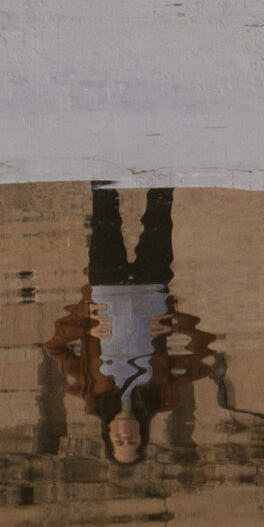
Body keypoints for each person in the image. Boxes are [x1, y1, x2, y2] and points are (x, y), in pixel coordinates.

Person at [45, 185, 213, 467]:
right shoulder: (162, 398)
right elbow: (202, 359)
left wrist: (86, 322)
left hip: (106, 289)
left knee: (105, 209)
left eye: (119, 441)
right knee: (159, 209)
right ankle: (161, 154)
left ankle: (102, 152)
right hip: (152, 290)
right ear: (143, 436)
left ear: (108, 434)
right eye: (133, 442)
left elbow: (55, 348)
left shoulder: (90, 396)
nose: (126, 435)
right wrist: (172, 322)